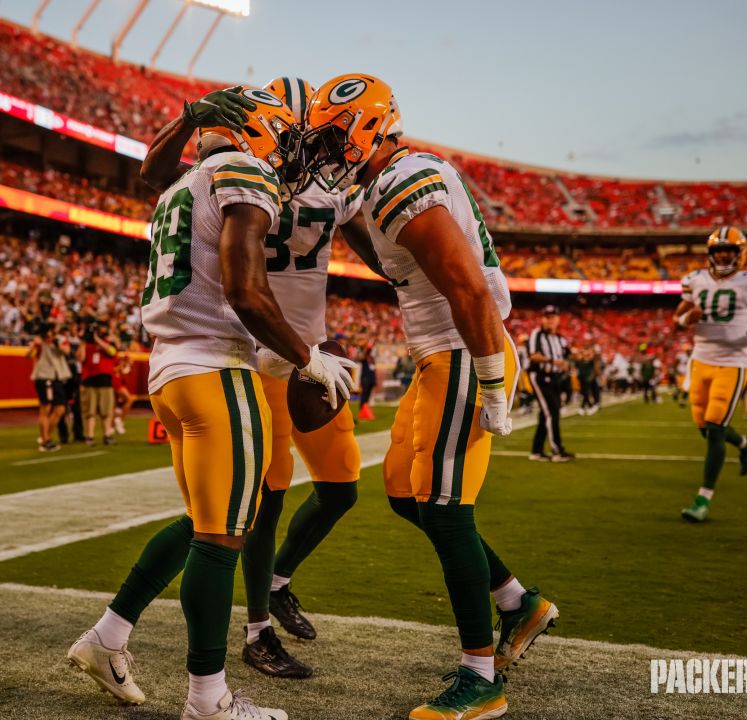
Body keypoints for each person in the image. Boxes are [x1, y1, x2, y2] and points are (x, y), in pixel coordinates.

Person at [66, 87, 353, 720]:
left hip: (169, 371)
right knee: (224, 537)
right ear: (260, 134)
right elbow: (248, 292)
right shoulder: (246, 171)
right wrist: (309, 357)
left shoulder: (184, 183)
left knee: (204, 524)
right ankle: (208, 699)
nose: (290, 151)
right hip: (217, 367)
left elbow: (151, 169)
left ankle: (107, 637)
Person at [302, 74, 557, 720]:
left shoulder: (407, 183)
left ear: (365, 128)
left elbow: (468, 290)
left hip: (466, 352)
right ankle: (516, 601)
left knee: (444, 509)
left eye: (331, 139)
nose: (325, 153)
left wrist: (495, 381)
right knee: (402, 491)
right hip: (439, 354)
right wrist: (343, 220)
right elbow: (397, 265)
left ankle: (481, 679)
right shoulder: (385, 185)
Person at [135, 77, 385, 679]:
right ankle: (255, 633)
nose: (313, 148)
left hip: (305, 352)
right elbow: (157, 178)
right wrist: (192, 120)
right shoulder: (245, 172)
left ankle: (275, 583)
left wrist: (406, 282)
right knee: (253, 507)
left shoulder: (328, 188)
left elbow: (369, 245)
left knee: (340, 488)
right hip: (253, 349)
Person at [674, 226, 747, 522]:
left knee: (716, 428)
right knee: (704, 428)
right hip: (700, 360)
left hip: (732, 362)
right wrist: (685, 318)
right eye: (718, 251)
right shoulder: (695, 280)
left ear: (739, 253)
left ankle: (703, 500)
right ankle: (745, 443)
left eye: (727, 251)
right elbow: (676, 323)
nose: (722, 256)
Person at [525, 306, 575, 462]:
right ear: (543, 319)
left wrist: (573, 359)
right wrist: (553, 361)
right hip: (539, 376)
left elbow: (569, 355)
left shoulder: (560, 338)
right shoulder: (536, 334)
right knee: (552, 412)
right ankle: (557, 451)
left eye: (553, 317)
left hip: (554, 377)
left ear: (558, 319)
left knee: (546, 414)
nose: (550, 320)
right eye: (547, 317)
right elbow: (534, 356)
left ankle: (536, 451)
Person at [27, 325, 71, 452]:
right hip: (45, 376)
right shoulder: (39, 342)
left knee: (60, 408)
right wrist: (36, 345)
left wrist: (55, 342)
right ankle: (45, 440)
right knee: (45, 408)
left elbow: (67, 351)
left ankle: (46, 436)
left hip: (57, 377)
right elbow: (29, 355)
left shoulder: (59, 340)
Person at [78, 324, 118, 446]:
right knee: (89, 411)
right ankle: (89, 436)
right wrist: (83, 342)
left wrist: (97, 340)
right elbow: (80, 358)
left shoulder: (108, 342)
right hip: (89, 381)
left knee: (106, 411)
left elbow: (112, 352)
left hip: (105, 381)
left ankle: (107, 435)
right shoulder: (86, 345)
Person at [111, 347, 134, 436]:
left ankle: (114, 424)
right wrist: (123, 364)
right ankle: (118, 422)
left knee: (115, 404)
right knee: (129, 399)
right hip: (114, 381)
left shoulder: (120, 357)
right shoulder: (113, 356)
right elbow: (113, 370)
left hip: (119, 381)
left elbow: (125, 371)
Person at [357, 343, 377, 421]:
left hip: (371, 379)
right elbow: (362, 356)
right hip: (366, 379)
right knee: (364, 395)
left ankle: (366, 409)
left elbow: (373, 369)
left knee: (368, 395)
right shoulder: (365, 358)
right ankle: (362, 409)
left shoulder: (372, 359)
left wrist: (374, 380)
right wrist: (368, 348)